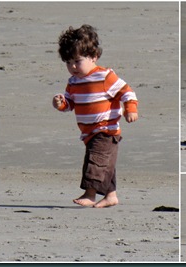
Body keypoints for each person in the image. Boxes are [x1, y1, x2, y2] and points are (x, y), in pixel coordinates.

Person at [52, 24, 138, 208]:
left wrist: (131, 109)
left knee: (95, 162)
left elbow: (127, 91)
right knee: (105, 164)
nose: (73, 66)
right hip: (88, 131)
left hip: (106, 129)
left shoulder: (105, 76)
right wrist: (61, 104)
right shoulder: (73, 82)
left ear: (94, 57)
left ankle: (90, 194)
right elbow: (70, 103)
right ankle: (111, 196)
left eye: (77, 61)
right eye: (68, 62)